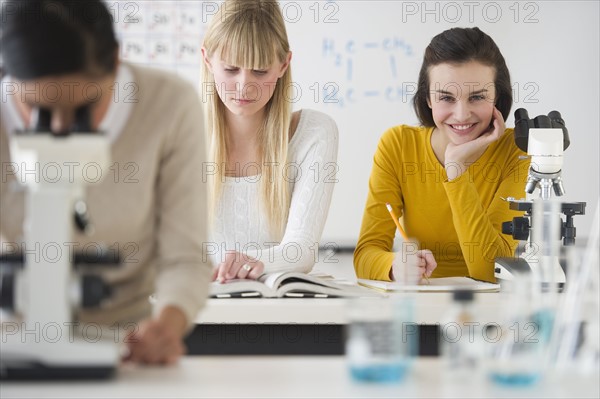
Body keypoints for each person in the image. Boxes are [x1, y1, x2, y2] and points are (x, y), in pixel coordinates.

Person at [0, 0, 211, 364]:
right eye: (40, 110)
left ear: (115, 61)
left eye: (84, 107)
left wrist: (167, 325)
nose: (60, 130)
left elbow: (184, 258)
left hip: (126, 346)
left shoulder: (170, 105)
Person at [354, 27, 530, 283]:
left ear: (497, 98)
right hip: (421, 306)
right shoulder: (398, 145)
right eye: (446, 98)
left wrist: (456, 170)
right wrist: (395, 266)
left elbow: (490, 269)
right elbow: (365, 256)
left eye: (477, 97)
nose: (461, 115)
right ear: (427, 98)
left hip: (492, 311)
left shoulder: (517, 150)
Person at [201, 0, 339, 282]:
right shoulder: (180, 133)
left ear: (283, 65)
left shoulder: (315, 132)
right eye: (230, 69)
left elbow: (300, 251)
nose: (244, 86)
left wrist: (242, 264)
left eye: (260, 71)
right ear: (207, 61)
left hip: (278, 313)